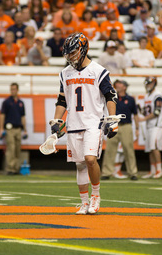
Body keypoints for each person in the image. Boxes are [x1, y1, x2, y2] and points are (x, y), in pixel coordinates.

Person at [50, 33, 118, 215]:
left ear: (83, 49)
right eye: (68, 53)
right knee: (79, 164)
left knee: (90, 159)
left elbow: (111, 96)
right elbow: (62, 100)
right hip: (73, 124)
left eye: (73, 52)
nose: (70, 57)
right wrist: (57, 121)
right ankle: (83, 202)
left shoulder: (98, 70)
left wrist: (111, 119)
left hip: (93, 122)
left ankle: (95, 195)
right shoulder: (65, 73)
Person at [101, 80, 139, 180]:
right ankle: (106, 172)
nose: (117, 85)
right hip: (114, 124)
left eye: (120, 83)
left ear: (125, 87)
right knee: (110, 149)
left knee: (129, 149)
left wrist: (137, 128)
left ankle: (133, 172)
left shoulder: (130, 99)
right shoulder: (112, 97)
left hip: (126, 125)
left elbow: (135, 114)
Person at [139, 77, 162, 179]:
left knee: (154, 147)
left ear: (154, 83)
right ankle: (153, 170)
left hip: (157, 125)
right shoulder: (147, 96)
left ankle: (159, 169)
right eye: (147, 84)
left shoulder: (157, 95)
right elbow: (148, 111)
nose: (148, 86)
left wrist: (144, 119)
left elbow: (157, 112)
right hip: (150, 125)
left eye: (149, 84)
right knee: (150, 149)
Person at [0, 83, 27, 175]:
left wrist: (25, 129)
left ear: (17, 90)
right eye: (11, 89)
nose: (12, 91)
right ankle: (10, 168)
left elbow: (23, 117)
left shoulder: (20, 103)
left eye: (14, 89)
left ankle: (15, 168)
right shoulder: (6, 102)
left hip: (18, 128)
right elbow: (2, 115)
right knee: (11, 148)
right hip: (9, 128)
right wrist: (1, 128)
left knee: (17, 149)